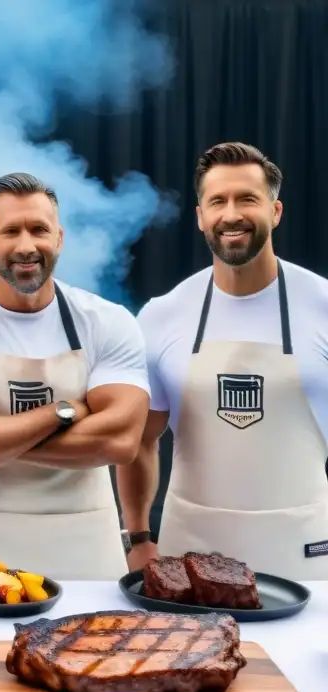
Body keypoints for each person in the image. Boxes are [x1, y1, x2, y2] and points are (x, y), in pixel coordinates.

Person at [0, 173, 152, 581]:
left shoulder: (109, 322)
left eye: (39, 229)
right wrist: (63, 411)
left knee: (94, 646)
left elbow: (119, 441)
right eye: (10, 231)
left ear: (58, 237)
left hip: (85, 538)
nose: (26, 246)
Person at [116, 142, 328, 578]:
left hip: (302, 550)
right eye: (218, 201)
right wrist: (137, 537)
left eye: (248, 199)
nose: (231, 214)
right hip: (189, 553)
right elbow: (139, 439)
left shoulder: (322, 304)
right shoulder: (163, 314)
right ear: (200, 217)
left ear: (276, 211)